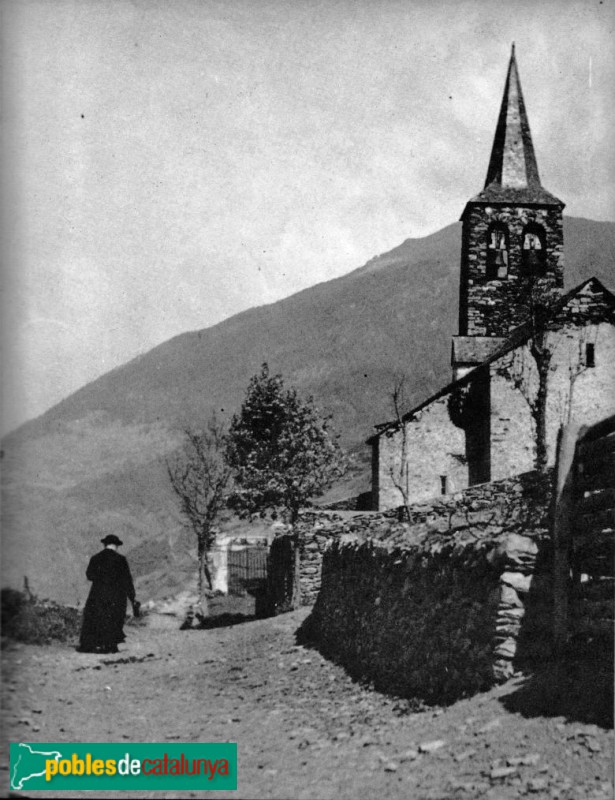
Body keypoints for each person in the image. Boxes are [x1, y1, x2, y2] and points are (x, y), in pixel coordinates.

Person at [78, 534, 140, 654]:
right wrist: (132, 598)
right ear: (116, 545)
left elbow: (89, 575)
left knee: (96, 617)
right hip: (117, 595)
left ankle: (91, 645)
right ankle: (110, 645)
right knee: (114, 618)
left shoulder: (95, 558)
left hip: (98, 593)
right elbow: (127, 580)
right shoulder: (121, 560)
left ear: (105, 544)